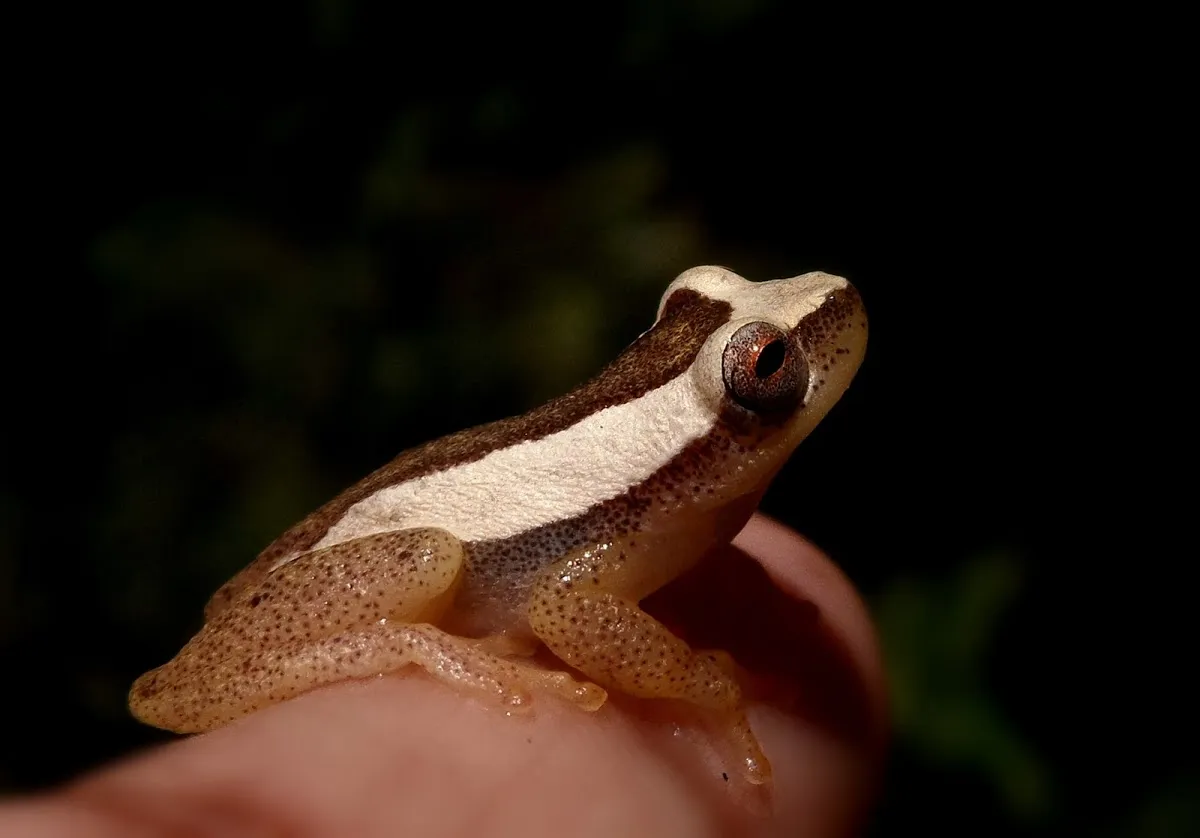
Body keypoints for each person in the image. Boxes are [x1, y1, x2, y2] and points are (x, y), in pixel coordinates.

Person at [0, 515, 886, 836]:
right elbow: (568, 612)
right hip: (352, 574)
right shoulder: (646, 514)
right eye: (765, 369)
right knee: (427, 556)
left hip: (320, 556)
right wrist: (699, 679)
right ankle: (385, 644)